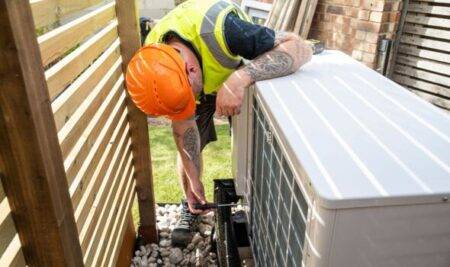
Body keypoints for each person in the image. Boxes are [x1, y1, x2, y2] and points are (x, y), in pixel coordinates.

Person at [126, 0, 312, 246]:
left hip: (226, 64)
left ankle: (257, 206)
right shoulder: (157, 62)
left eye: (188, 100)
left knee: (253, 142)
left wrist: (238, 79)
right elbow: (184, 130)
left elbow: (299, 47)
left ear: (191, 69)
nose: (188, 108)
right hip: (199, 77)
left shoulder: (226, 30)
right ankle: (189, 203)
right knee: (190, 145)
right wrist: (193, 181)